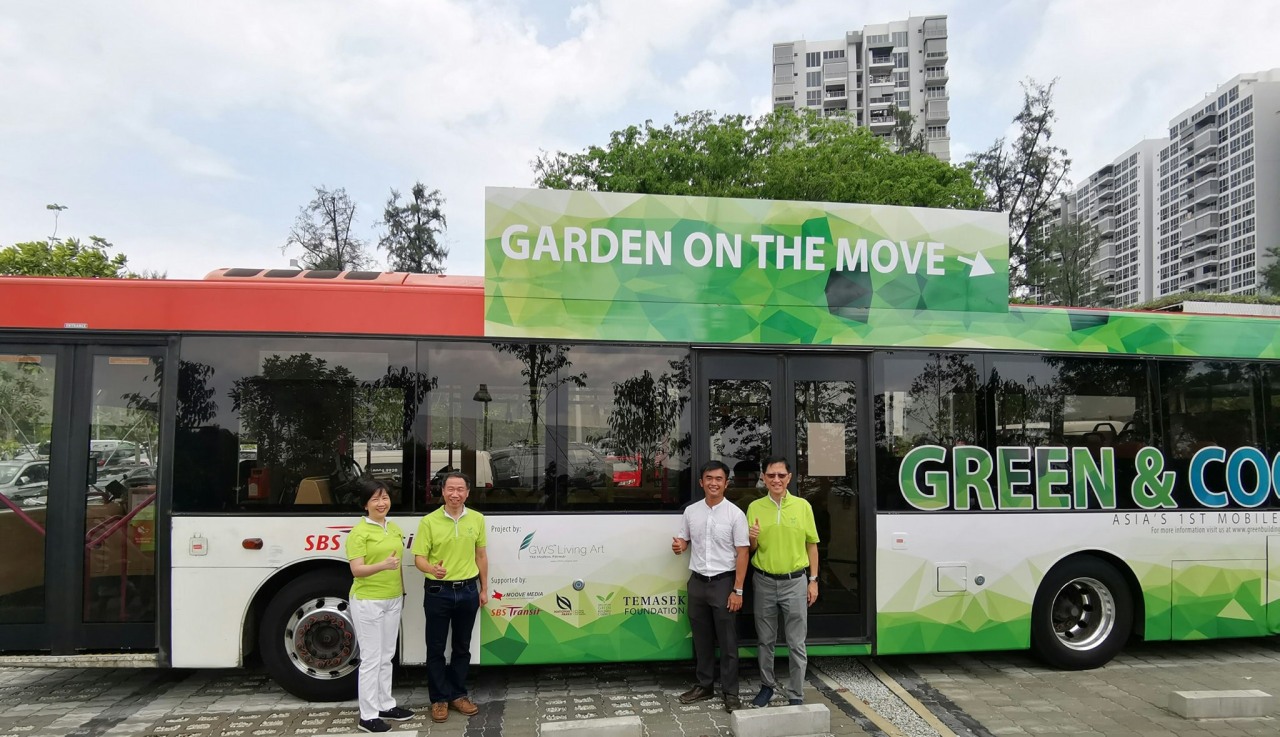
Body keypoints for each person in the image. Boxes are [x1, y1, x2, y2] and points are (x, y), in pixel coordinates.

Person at [671, 460, 749, 712]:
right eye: (708, 478)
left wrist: (737, 590)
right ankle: (704, 685)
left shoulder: (735, 514)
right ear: (701, 482)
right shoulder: (691, 512)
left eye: (718, 479)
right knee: (701, 639)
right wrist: (680, 546)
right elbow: (684, 540)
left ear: (726, 483)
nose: (713, 483)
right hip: (697, 583)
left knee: (727, 642)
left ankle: (730, 692)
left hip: (723, 583)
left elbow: (743, 553)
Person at [412, 471, 488, 724]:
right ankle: (439, 699)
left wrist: (484, 588)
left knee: (462, 647)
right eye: (450, 489)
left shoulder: (476, 519)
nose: (455, 494)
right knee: (435, 648)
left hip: (468, 590)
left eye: (460, 489)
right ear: (442, 491)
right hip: (438, 591)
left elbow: (481, 556)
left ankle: (458, 695)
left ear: (467, 492)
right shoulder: (429, 522)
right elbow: (419, 558)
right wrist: (432, 569)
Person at [746, 456, 819, 707]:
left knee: (796, 642)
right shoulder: (755, 507)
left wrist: (814, 580)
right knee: (765, 640)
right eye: (770, 475)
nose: (776, 479)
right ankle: (767, 687)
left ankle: (796, 693)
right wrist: (752, 538)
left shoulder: (803, 506)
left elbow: (812, 545)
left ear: (789, 478)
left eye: (781, 475)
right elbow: (752, 549)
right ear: (764, 478)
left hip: (795, 582)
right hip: (764, 581)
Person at [345, 478, 414, 734]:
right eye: (375, 499)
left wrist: (402, 591)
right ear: (365, 504)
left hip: (392, 598)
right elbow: (357, 570)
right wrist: (382, 566)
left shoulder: (393, 528)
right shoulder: (359, 533)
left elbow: (397, 564)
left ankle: (386, 704)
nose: (382, 503)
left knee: (387, 656)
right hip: (368, 601)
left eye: (385, 498)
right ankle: (368, 715)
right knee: (371, 659)